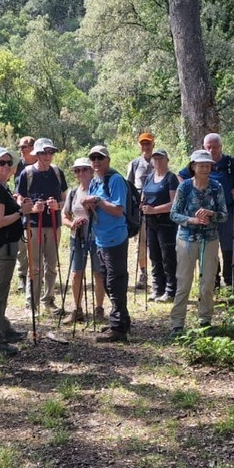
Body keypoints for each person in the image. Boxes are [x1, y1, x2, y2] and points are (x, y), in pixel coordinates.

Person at [169, 150, 228, 336]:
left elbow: (224, 215)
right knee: (183, 281)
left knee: (208, 282)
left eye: (208, 165)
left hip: (210, 239)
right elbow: (174, 214)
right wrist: (192, 220)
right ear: (193, 166)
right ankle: (177, 323)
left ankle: (205, 321)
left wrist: (211, 214)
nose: (205, 168)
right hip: (186, 239)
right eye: (201, 165)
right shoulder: (184, 187)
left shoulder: (216, 187)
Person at [0, 147, 33, 356]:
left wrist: (18, 205)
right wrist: (22, 211)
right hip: (3, 245)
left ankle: (3, 329)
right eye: (0, 162)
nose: (5, 166)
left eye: (8, 163)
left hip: (8, 244)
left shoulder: (1, 187)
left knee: (1, 290)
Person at [81, 145, 132, 343]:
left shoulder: (115, 180)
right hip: (100, 239)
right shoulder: (95, 182)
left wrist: (98, 201)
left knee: (115, 282)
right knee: (106, 281)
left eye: (100, 158)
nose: (96, 161)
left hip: (115, 238)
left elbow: (118, 210)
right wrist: (88, 205)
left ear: (108, 160)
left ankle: (118, 328)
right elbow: (94, 210)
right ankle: (121, 320)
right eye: (93, 158)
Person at [179, 134, 234, 288]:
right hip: (203, 214)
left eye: (215, 147)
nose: (212, 150)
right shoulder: (200, 163)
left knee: (227, 245)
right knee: (208, 245)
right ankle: (214, 280)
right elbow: (180, 176)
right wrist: (189, 192)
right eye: (208, 147)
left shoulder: (229, 163)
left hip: (225, 211)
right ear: (204, 147)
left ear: (221, 147)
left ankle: (230, 281)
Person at [15, 138, 68, 318]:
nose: (47, 156)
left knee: (51, 264)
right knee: (34, 265)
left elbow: (65, 199)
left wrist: (57, 206)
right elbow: (19, 199)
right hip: (33, 225)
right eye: (44, 152)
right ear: (36, 154)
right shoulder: (27, 173)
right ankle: (32, 303)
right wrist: (32, 209)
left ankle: (48, 301)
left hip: (53, 223)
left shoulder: (57, 172)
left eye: (50, 152)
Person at [64, 157, 106, 325]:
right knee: (76, 273)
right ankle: (77, 309)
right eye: (77, 170)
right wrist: (72, 224)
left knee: (98, 273)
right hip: (77, 236)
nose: (80, 173)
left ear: (91, 171)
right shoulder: (73, 192)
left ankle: (99, 309)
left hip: (97, 237)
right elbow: (65, 216)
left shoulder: (99, 189)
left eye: (84, 169)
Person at [140, 149, 178, 302]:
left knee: (168, 256)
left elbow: (174, 204)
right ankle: (157, 288)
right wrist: (142, 206)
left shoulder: (171, 178)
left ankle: (171, 290)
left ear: (167, 160)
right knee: (154, 255)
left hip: (166, 222)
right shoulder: (149, 177)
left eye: (161, 159)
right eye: (155, 159)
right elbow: (145, 196)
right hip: (151, 222)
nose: (158, 162)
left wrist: (154, 210)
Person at [126, 132, 157, 290]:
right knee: (141, 243)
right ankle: (143, 274)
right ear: (139, 145)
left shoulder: (159, 161)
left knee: (155, 243)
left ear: (153, 144)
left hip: (156, 208)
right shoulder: (134, 164)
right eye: (143, 144)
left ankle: (158, 274)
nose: (146, 146)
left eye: (148, 143)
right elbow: (129, 187)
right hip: (140, 210)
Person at [14, 136, 37, 291]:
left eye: (24, 147)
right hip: (20, 208)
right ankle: (22, 276)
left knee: (35, 246)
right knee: (21, 245)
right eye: (20, 147)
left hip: (37, 210)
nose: (21, 150)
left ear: (32, 148)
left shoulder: (40, 164)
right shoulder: (17, 165)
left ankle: (36, 275)